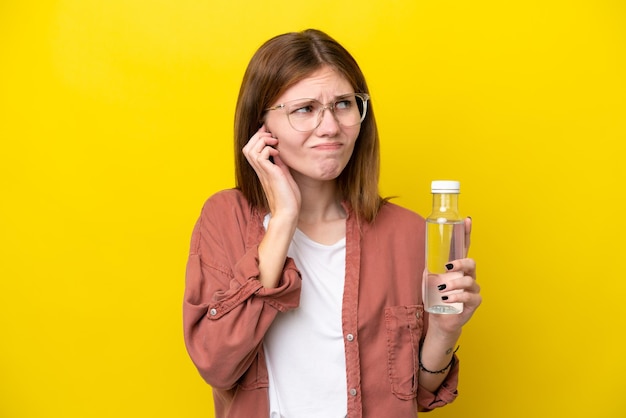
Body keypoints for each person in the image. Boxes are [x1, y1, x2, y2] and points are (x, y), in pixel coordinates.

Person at [183, 28, 482, 418]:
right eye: (305, 109)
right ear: (262, 125)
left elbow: (421, 393)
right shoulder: (225, 219)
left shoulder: (407, 233)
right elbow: (217, 364)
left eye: (343, 104)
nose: (330, 127)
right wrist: (284, 219)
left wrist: (446, 330)